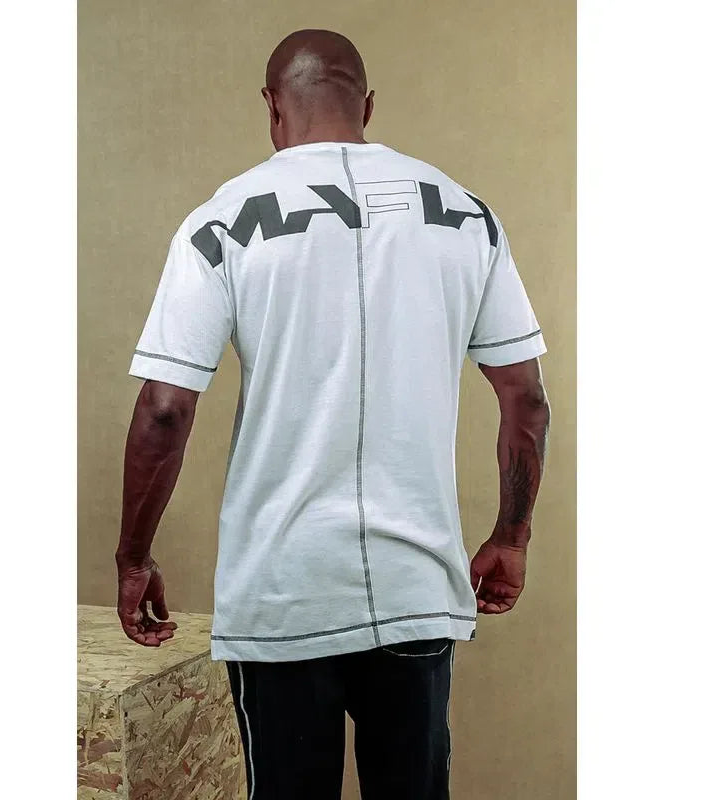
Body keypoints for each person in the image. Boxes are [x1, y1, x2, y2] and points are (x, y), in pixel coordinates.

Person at [116, 28, 550, 800]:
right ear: (367, 106)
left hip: (282, 591)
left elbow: (164, 411)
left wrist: (133, 558)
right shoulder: (467, 214)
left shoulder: (221, 221)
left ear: (272, 107)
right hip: (416, 586)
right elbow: (527, 400)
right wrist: (511, 538)